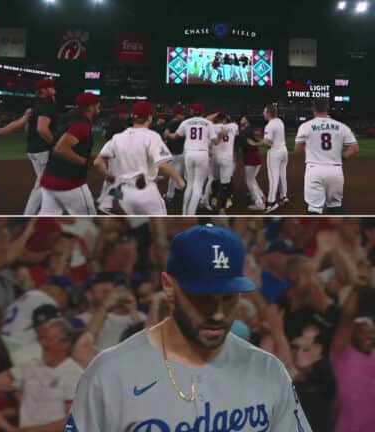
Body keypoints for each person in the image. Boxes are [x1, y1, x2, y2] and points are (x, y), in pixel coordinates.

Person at [66, 224, 312, 431]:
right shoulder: (110, 374)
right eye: (203, 298)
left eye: (228, 297)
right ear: (169, 286)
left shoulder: (267, 370)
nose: (217, 313)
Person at [94, 101, 184, 215]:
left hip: (123, 193)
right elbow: (163, 165)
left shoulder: (117, 137)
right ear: (149, 118)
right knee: (158, 226)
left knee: (133, 225)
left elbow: (97, 162)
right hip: (146, 192)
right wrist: (179, 181)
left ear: (132, 117)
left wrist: (108, 177)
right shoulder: (152, 136)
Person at [0, 319, 83, 432]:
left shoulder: (75, 375)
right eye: (42, 338)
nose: (43, 343)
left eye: (49, 339)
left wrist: (30, 431)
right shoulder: (31, 366)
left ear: (64, 344)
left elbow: (72, 422)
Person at [39, 92, 100, 215]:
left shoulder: (69, 117)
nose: (99, 109)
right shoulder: (81, 125)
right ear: (90, 107)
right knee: (90, 220)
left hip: (49, 179)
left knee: (47, 218)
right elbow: (60, 149)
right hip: (69, 184)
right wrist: (84, 162)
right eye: (97, 106)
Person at [294, 99, 359, 214]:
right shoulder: (341, 126)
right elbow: (354, 148)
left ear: (313, 109)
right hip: (335, 169)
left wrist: (310, 147)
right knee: (335, 206)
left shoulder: (305, 126)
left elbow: (297, 150)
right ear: (327, 108)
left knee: (314, 208)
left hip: (314, 169)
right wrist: (342, 157)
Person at [329, 271, 375, 432]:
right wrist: (356, 289)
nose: (369, 335)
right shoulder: (342, 354)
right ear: (352, 332)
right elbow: (347, 317)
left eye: (371, 331)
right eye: (363, 331)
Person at [166, 103, 213, 215]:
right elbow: (215, 141)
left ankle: (184, 211)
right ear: (202, 112)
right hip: (202, 154)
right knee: (198, 185)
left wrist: (168, 134)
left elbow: (175, 136)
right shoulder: (208, 123)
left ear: (192, 112)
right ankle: (191, 213)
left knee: (190, 184)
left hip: (189, 154)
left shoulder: (186, 122)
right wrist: (221, 135)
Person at [23, 79, 60, 215]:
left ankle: (41, 210)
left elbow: (27, 129)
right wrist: (55, 145)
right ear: (44, 91)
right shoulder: (47, 105)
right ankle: (31, 214)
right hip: (42, 150)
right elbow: (42, 129)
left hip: (33, 149)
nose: (53, 88)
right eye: (49, 86)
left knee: (43, 182)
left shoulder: (36, 106)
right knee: (43, 184)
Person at [248, 104, 288, 214]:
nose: (263, 113)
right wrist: (261, 139)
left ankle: (271, 203)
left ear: (269, 113)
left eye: (264, 112)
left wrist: (255, 143)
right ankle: (283, 196)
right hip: (284, 151)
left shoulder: (269, 125)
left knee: (273, 177)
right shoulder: (279, 121)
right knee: (282, 175)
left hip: (275, 152)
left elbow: (268, 141)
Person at [207, 112, 238, 212]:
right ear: (225, 119)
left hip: (215, 157)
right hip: (227, 158)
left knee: (215, 180)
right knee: (225, 182)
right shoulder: (233, 126)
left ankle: (214, 200)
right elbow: (236, 130)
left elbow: (206, 120)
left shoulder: (211, 127)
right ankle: (224, 205)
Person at [238, 116, 266, 210]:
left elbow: (241, 136)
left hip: (251, 158)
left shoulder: (247, 130)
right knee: (252, 179)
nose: (241, 120)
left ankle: (259, 203)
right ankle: (261, 196)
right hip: (254, 157)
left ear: (247, 121)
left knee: (249, 181)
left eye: (243, 118)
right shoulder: (248, 130)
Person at [164, 106, 187, 203]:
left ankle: (171, 194)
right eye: (181, 114)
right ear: (177, 115)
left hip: (173, 153)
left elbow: (165, 135)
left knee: (174, 175)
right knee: (176, 175)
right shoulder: (181, 123)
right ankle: (171, 195)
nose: (183, 115)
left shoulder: (170, 123)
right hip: (179, 153)